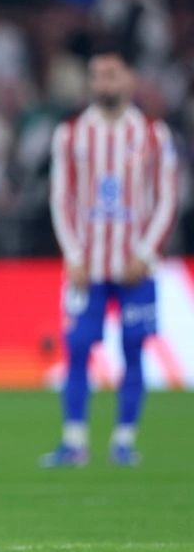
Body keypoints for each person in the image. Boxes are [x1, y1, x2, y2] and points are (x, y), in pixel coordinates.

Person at [44, 49, 178, 468]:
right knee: (79, 347)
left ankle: (124, 441)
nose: (103, 82)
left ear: (129, 79)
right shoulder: (70, 134)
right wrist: (74, 255)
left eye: (111, 75)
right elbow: (60, 197)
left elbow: (167, 198)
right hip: (88, 267)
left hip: (137, 268)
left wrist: (145, 252)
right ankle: (74, 441)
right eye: (97, 75)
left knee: (135, 348)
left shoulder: (155, 134)